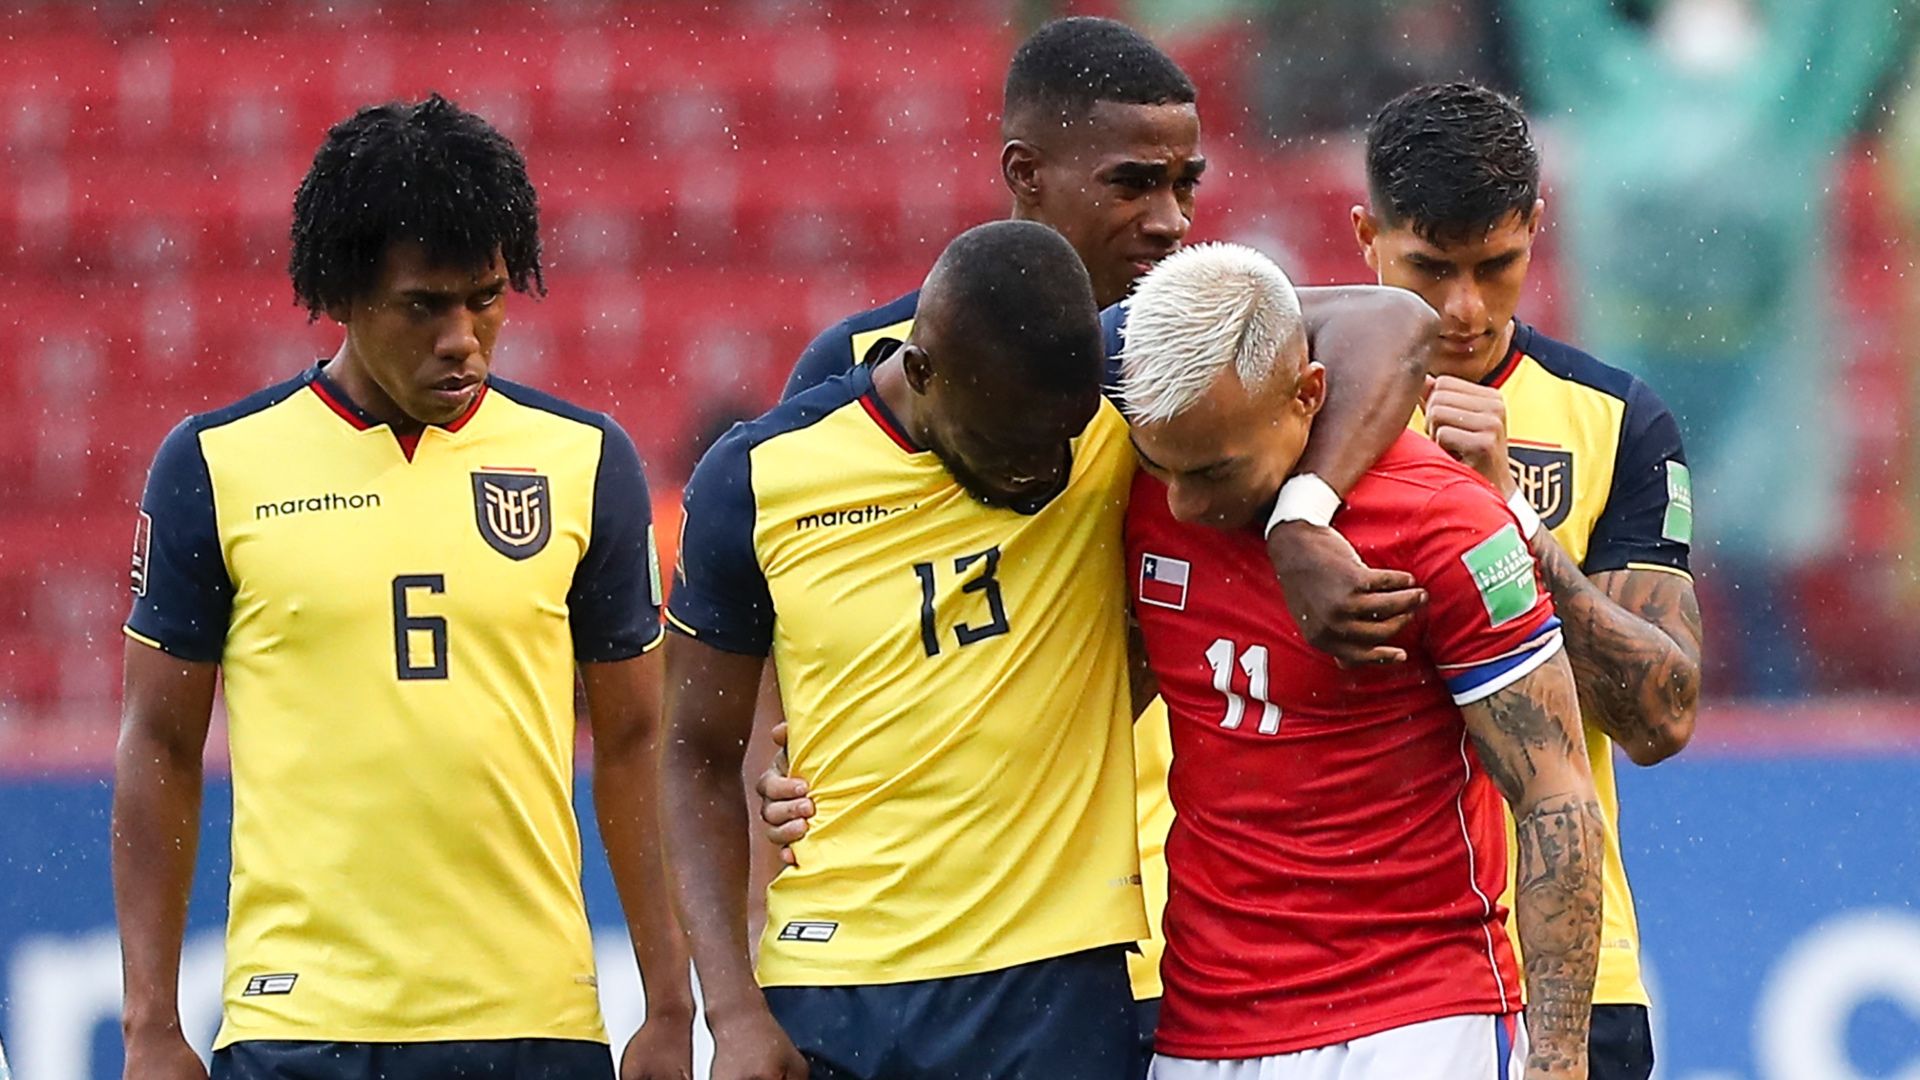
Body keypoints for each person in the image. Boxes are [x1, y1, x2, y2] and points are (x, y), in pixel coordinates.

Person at [771, 23, 1437, 1069]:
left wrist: (1304, 508)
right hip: (915, 944)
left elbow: (1394, 324)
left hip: (1136, 934)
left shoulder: (1175, 352)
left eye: (1185, 184)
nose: (1171, 220)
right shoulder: (860, 367)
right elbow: (784, 584)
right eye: (1135, 184)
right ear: (1025, 175)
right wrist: (778, 748)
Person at [113, 95, 692, 1080]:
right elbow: (161, 746)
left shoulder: (588, 463)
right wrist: (151, 1026)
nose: (463, 337)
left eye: (487, 299)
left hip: (532, 1025)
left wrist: (673, 1005)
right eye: (425, 305)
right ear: (341, 292)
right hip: (301, 1029)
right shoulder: (214, 466)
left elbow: (639, 741)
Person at [1118, 242, 1604, 1080]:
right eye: (1164, 468)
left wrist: (1558, 1059)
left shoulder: (1443, 521)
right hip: (1202, 1031)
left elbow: (1555, 793)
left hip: (1416, 1023)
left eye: (1214, 472)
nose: (1184, 504)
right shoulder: (1147, 485)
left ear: (1309, 394)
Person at [1351, 81, 1704, 1079]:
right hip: (1342, 973)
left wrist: (1510, 524)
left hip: (1567, 980)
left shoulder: (1615, 421)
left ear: (1537, 231)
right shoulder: (1287, 416)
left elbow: (1660, 720)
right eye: (1429, 269)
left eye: (1496, 266)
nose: (1465, 307)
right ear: (1362, 233)